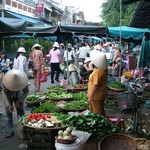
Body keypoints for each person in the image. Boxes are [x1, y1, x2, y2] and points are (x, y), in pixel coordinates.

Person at [2, 69, 29, 138]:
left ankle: (23, 130)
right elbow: (4, 93)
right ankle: (10, 130)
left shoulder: (23, 81)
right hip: (9, 96)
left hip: (19, 95)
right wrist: (9, 104)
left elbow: (26, 91)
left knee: (21, 113)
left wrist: (20, 100)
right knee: (8, 113)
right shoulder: (6, 82)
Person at [87, 50, 108, 115]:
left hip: (96, 96)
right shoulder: (104, 69)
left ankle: (102, 125)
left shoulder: (98, 71)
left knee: (97, 114)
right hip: (101, 94)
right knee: (101, 111)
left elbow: (95, 85)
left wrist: (90, 97)